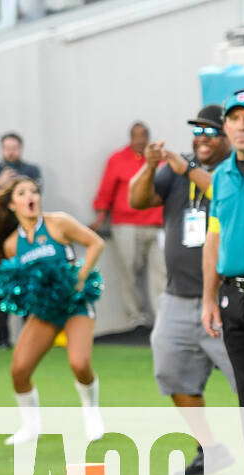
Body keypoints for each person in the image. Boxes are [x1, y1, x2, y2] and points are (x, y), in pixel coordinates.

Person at [129, 104, 235, 475]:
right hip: (178, 298)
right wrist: (148, 165)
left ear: (228, 137)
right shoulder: (176, 171)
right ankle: (210, 448)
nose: (201, 139)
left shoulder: (240, 170)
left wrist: (188, 168)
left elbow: (224, 194)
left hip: (231, 298)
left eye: (210, 133)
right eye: (198, 131)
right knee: (172, 374)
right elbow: (137, 200)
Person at [0, 178, 105, 445]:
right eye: (22, 193)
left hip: (75, 303)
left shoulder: (58, 222)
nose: (30, 196)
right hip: (45, 310)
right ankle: (31, 426)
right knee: (19, 370)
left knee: (79, 363)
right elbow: (12, 277)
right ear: (12, 204)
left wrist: (80, 276)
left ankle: (92, 413)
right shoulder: (11, 244)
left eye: (34, 191)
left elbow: (96, 243)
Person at [201, 89, 244, 475]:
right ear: (225, 127)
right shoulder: (220, 176)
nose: (242, 126)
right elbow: (214, 238)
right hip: (233, 298)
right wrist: (208, 297)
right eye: (234, 119)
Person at [91, 122, 164, 329]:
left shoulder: (160, 159)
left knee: (160, 272)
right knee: (129, 271)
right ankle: (136, 318)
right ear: (130, 137)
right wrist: (100, 215)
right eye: (136, 136)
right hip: (126, 224)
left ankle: (161, 318)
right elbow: (106, 190)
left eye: (144, 135)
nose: (140, 140)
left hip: (156, 224)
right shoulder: (118, 159)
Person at [0, 132, 42, 348]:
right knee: (2, 284)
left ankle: (31, 336)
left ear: (21, 148)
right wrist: (1, 186)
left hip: (27, 235)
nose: (11, 151)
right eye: (7, 147)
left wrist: (17, 186)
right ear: (1, 149)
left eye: (14, 147)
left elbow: (35, 201)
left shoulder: (31, 171)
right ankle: (3, 338)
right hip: (0, 236)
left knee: (30, 284)